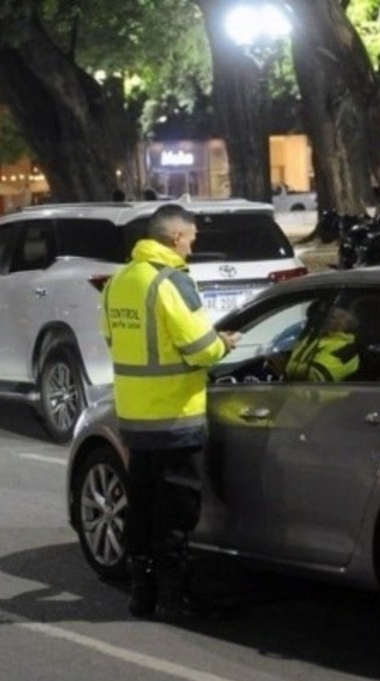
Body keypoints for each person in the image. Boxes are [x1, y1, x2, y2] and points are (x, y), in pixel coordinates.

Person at [101, 203, 240, 619]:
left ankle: (141, 592)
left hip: (135, 416)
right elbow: (199, 348)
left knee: (142, 503)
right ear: (176, 237)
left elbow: (112, 340)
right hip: (175, 416)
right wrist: (223, 344)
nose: (191, 249)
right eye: (191, 240)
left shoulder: (119, 281)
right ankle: (173, 594)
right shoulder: (171, 282)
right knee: (177, 509)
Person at [283, 301, 359, 382]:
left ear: (348, 324)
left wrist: (284, 367)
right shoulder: (315, 337)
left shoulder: (346, 351)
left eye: (333, 316)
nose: (325, 318)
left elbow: (315, 377)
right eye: (324, 314)